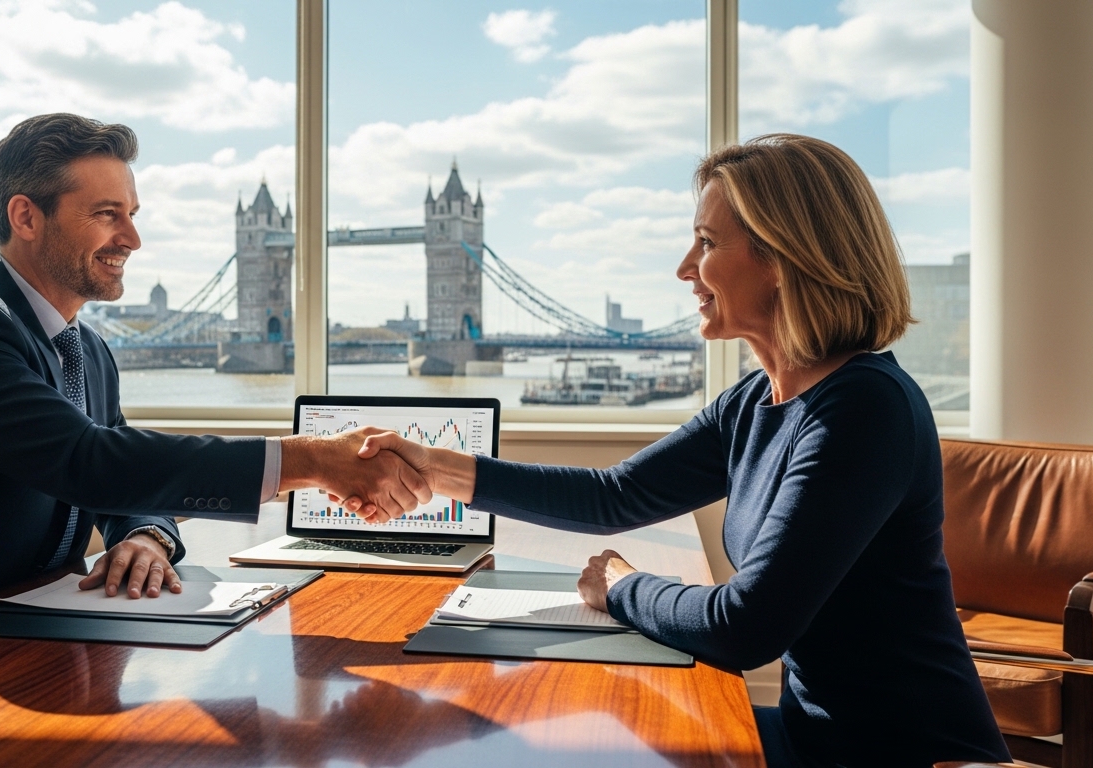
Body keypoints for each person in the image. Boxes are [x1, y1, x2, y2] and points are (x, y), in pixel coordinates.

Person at [340, 135, 1010, 766]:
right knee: (565, 722)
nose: (684, 268)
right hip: (817, 737)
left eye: (707, 243)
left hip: (904, 753)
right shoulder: (755, 402)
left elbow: (744, 629)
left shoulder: (865, 409)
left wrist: (623, 586)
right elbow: (614, 497)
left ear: (782, 259)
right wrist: (432, 467)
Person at [0, 113, 430, 649]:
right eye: (108, 215)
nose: (133, 239)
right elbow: (87, 460)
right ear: (26, 216)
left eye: (131, 215)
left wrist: (145, 535)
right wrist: (313, 460)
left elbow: (120, 477)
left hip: (28, 629)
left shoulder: (89, 349)